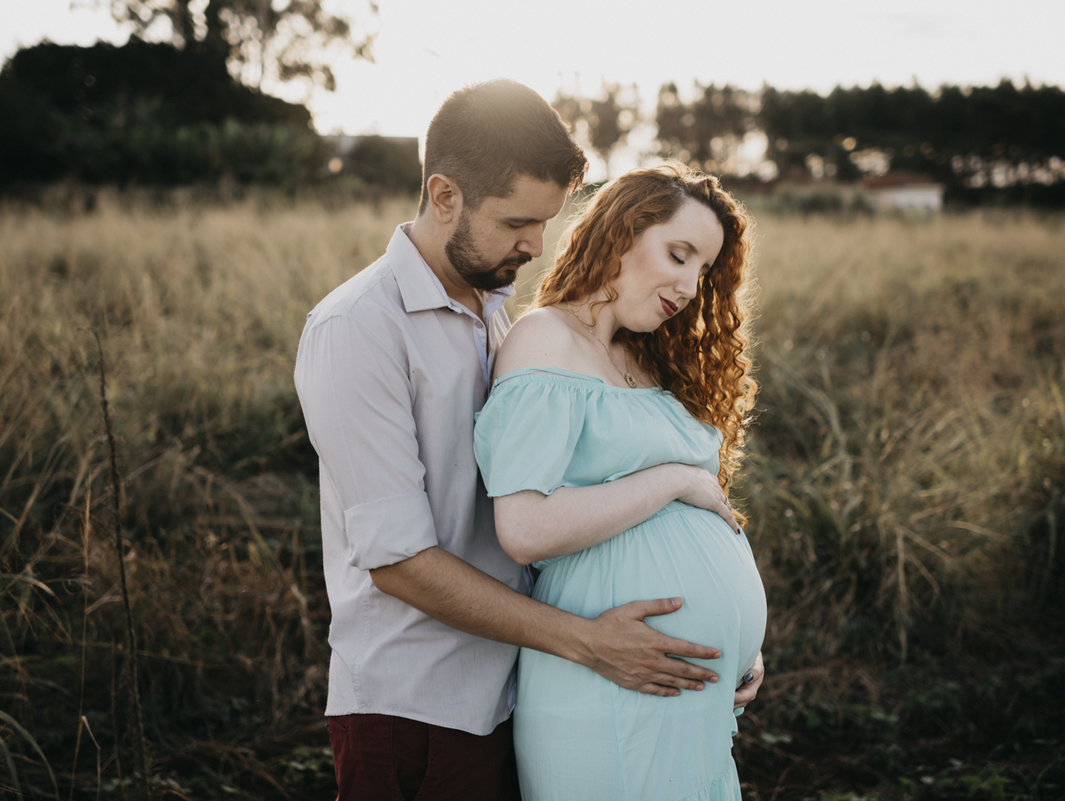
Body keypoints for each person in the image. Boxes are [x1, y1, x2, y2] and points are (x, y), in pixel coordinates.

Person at [294, 81, 763, 800]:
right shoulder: (359, 327)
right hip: (418, 705)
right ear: (443, 195)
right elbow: (399, 561)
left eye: (546, 223)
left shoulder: (494, 315)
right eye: (518, 221)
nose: (536, 245)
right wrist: (588, 640)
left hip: (514, 684)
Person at [473, 163, 767, 800]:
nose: (690, 286)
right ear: (620, 233)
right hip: (606, 689)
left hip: (691, 691)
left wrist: (742, 642)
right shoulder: (544, 338)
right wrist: (672, 481)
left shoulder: (647, 358)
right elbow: (523, 528)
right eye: (678, 254)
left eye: (703, 270)